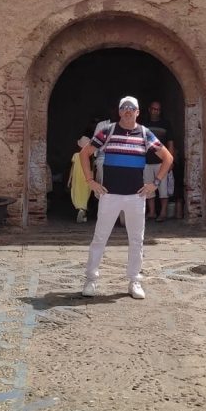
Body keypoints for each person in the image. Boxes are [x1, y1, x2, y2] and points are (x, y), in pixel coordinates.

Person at [79, 96, 173, 299]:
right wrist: (90, 181)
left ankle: (134, 281)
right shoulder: (108, 131)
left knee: (136, 241)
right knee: (99, 238)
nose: (128, 111)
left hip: (135, 196)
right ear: (120, 112)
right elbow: (84, 153)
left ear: (138, 112)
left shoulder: (145, 133)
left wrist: (155, 183)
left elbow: (168, 157)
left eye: (132, 108)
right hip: (110, 194)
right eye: (124, 108)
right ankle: (91, 279)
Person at [143, 101, 175, 222]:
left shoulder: (166, 124)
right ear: (149, 109)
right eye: (154, 109)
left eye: (158, 109)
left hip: (162, 162)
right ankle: (152, 212)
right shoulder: (144, 125)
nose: (156, 111)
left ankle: (162, 213)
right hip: (146, 161)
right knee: (148, 188)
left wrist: (171, 161)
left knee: (163, 189)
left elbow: (170, 143)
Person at [68, 136, 91, 223]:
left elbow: (72, 168)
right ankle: (83, 213)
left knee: (77, 193)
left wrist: (69, 179)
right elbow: (92, 169)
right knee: (85, 195)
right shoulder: (89, 156)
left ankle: (80, 210)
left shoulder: (76, 155)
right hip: (86, 178)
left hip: (77, 179)